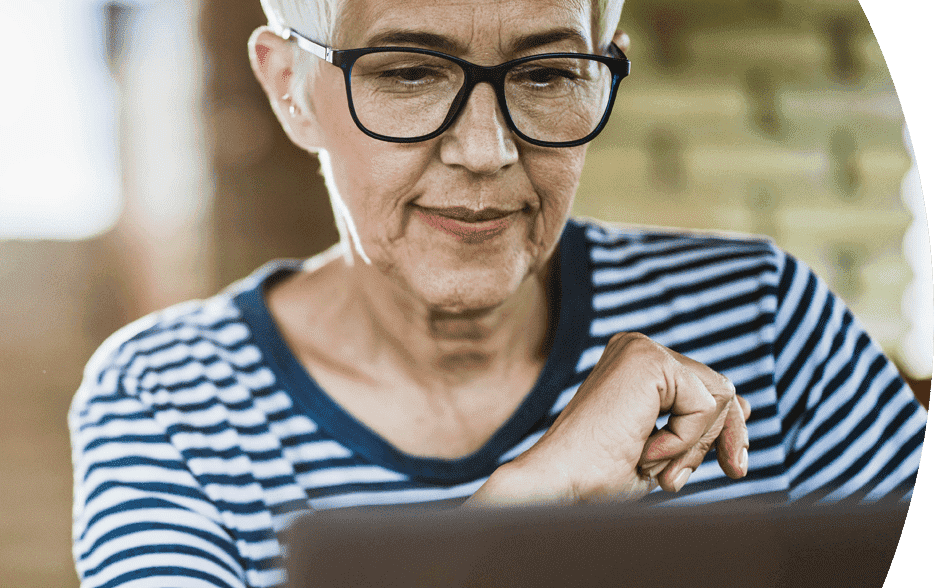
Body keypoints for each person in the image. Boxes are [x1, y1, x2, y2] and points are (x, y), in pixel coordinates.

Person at [69, 0, 926, 586]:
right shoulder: (165, 395)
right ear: (288, 87)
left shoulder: (763, 317)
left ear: (606, 76)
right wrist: (530, 509)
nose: (484, 150)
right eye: (409, 73)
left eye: (549, 74)